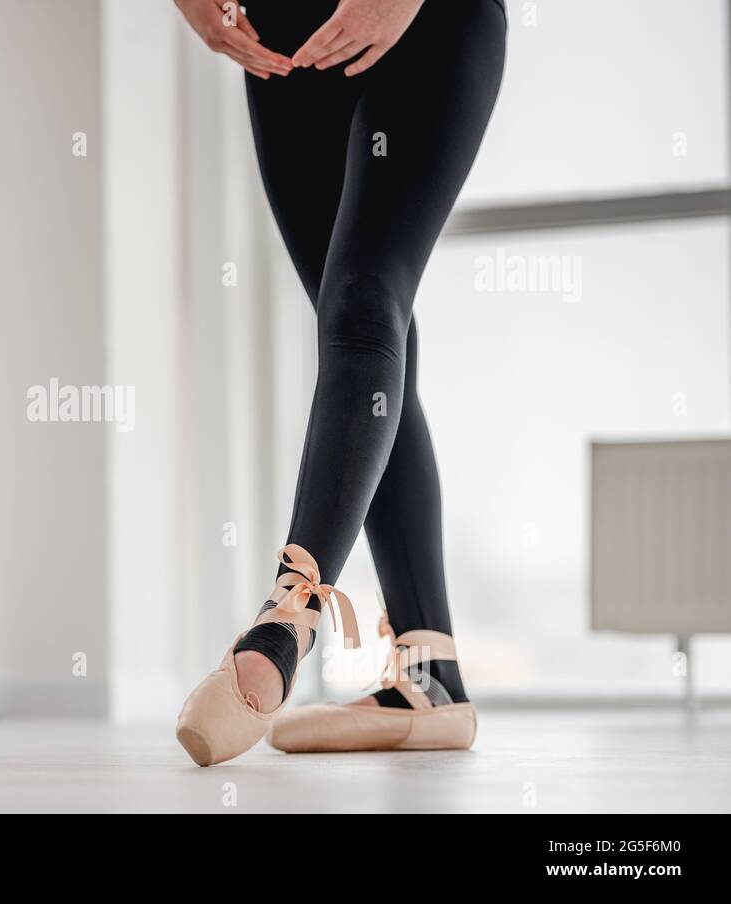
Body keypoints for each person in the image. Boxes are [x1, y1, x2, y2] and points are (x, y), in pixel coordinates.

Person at [172, 0, 506, 765]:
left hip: (427, 21)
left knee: (364, 303)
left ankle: (283, 621)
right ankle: (432, 676)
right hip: (282, 49)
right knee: (366, 332)